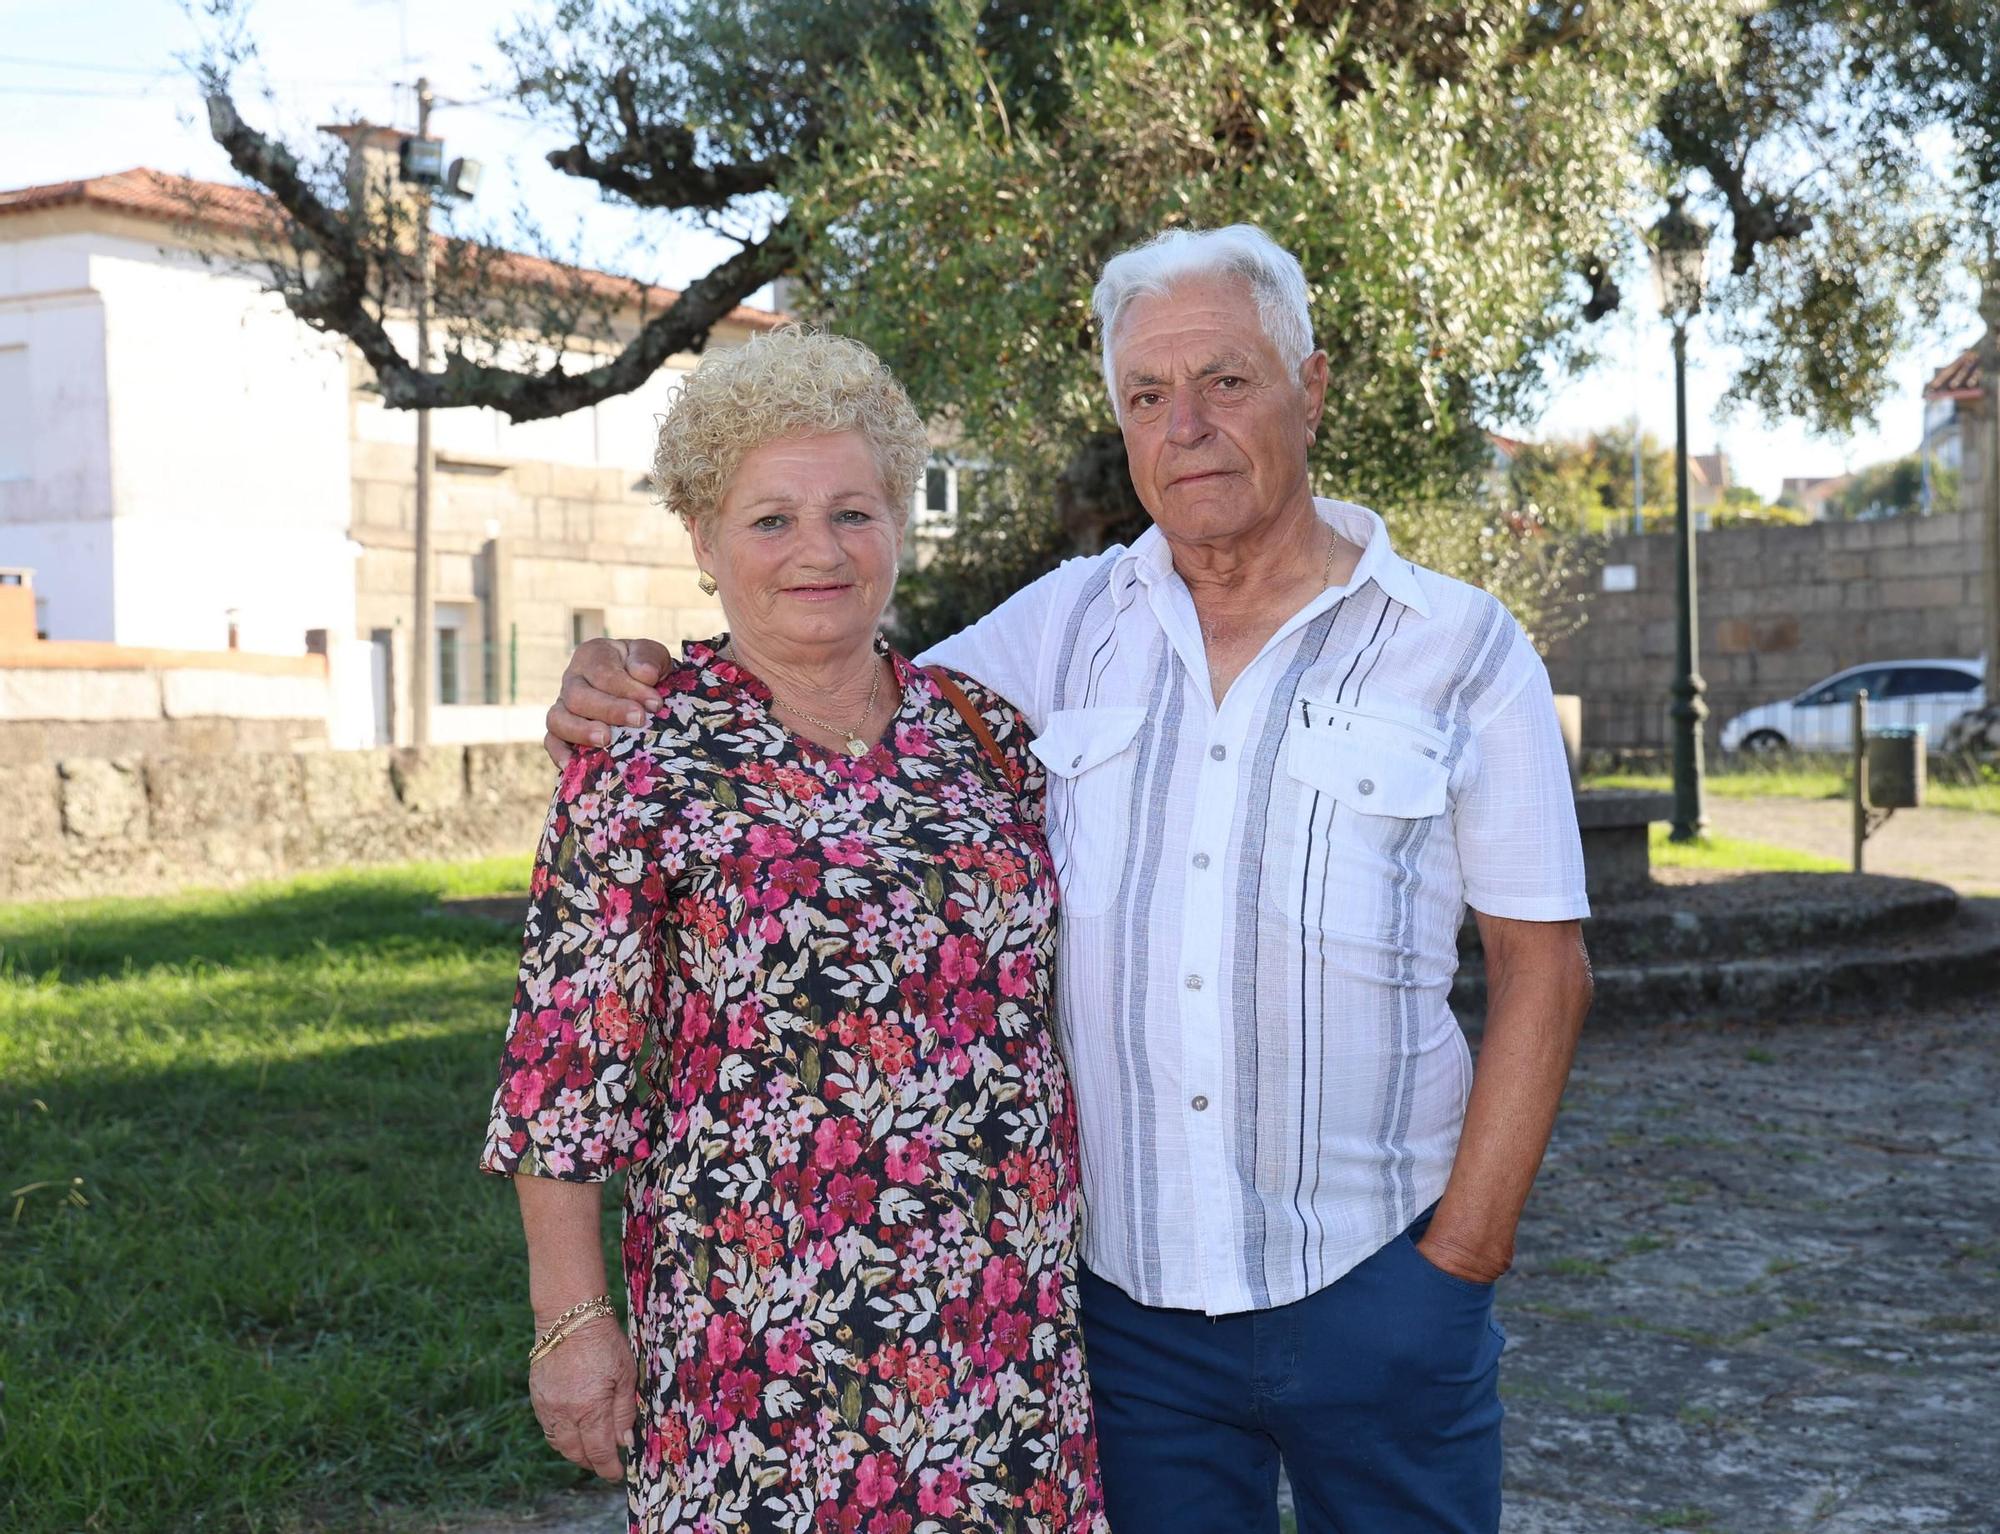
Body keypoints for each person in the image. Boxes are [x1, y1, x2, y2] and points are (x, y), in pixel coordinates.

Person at [547, 226, 1594, 1534]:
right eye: (1147, 395)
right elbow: (831, 673)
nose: (1186, 425)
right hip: (1129, 1333)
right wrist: (638, 685)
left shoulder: (1460, 648)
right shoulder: (1066, 622)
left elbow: (1544, 969)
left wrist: (1461, 1259)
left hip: (1380, 1278)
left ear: (1310, 388)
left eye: (1225, 381)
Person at [481, 328, 1109, 1534]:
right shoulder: (642, 752)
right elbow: (565, 1070)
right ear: (701, 540)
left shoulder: (983, 735)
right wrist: (571, 1320)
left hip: (1001, 1330)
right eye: (771, 519)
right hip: (758, 1343)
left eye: (851, 512)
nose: (818, 550)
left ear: (898, 523)